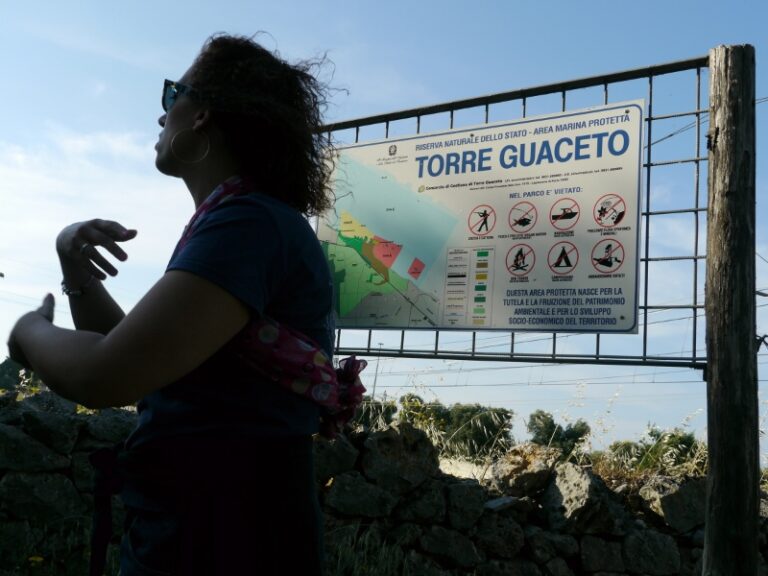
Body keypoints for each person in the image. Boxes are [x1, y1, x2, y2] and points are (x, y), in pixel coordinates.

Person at [7, 34, 343, 575]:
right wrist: (75, 270)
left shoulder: (247, 224)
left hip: (221, 535)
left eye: (172, 95)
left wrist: (27, 330)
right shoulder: (245, 221)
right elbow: (146, 361)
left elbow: (105, 376)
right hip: (223, 526)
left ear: (203, 112)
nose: (160, 116)